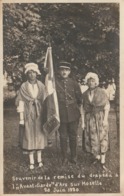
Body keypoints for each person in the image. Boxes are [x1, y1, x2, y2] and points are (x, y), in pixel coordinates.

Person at [15, 63, 47, 170]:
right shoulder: (24, 86)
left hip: (40, 114)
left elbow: (45, 100)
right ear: (27, 74)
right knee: (29, 135)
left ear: (37, 74)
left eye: (33, 72)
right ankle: (31, 161)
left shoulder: (42, 86)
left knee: (39, 135)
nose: (32, 75)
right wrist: (21, 118)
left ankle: (39, 159)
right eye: (29, 72)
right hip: (28, 114)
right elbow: (21, 102)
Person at [55, 61, 82, 165]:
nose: (64, 72)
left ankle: (74, 156)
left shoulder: (74, 83)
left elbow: (79, 99)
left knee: (73, 136)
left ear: (69, 71)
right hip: (61, 114)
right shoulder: (55, 83)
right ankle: (64, 157)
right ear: (59, 71)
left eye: (66, 70)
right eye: (62, 70)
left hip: (73, 114)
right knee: (63, 136)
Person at [82, 72, 110, 168]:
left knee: (102, 137)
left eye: (93, 81)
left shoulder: (102, 92)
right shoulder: (85, 94)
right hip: (90, 118)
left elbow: (106, 106)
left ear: (96, 82)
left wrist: (105, 119)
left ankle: (103, 161)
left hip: (100, 117)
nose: (91, 83)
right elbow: (83, 108)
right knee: (92, 138)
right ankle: (96, 157)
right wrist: (83, 122)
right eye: (89, 81)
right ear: (87, 82)